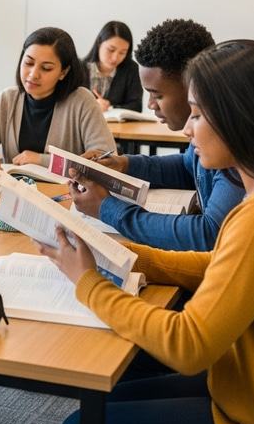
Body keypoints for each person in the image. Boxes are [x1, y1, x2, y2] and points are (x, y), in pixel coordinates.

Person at [40, 39, 254, 424]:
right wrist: (134, 257)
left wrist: (89, 283)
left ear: (241, 119)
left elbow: (188, 346)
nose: (187, 128)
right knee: (103, 400)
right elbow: (225, 267)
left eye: (198, 115)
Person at [71, 19, 245, 252]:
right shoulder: (207, 133)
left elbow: (210, 234)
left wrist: (108, 209)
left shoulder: (233, 146)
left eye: (157, 95)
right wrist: (123, 164)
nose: (150, 105)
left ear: (193, 86)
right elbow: (188, 168)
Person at [0, 27, 115, 173]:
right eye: (29, 63)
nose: (33, 74)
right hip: (15, 191)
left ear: (64, 72)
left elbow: (107, 161)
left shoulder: (82, 101)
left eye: (46, 68)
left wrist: (41, 160)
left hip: (66, 193)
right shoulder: (7, 99)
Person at [80, 20, 143, 112]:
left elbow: (136, 106)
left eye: (122, 52)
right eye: (111, 50)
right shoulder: (79, 68)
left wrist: (110, 106)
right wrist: (91, 105)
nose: (115, 58)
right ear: (99, 43)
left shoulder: (131, 69)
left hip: (117, 121)